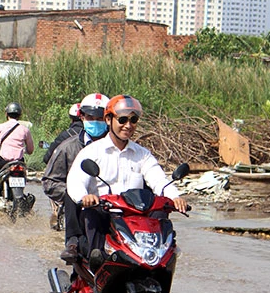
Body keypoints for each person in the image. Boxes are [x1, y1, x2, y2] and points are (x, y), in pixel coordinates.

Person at [66, 95, 188, 261]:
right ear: (108, 120)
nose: (128, 125)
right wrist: (85, 197)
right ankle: (95, 269)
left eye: (133, 120)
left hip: (136, 219)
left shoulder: (142, 154)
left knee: (161, 216)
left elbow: (159, 179)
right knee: (92, 215)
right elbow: (76, 181)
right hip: (105, 215)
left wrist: (175, 197)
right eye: (122, 120)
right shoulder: (92, 152)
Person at [41, 93, 109, 262]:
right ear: (82, 117)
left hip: (114, 206)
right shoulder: (68, 147)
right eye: (90, 117)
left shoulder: (121, 149)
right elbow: (50, 181)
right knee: (72, 193)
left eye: (100, 118)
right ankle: (73, 243)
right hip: (81, 208)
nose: (95, 121)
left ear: (109, 119)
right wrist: (78, 195)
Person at [0, 102, 34, 211]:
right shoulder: (25, 130)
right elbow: (30, 150)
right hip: (19, 163)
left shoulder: (0, 127)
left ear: (6, 114)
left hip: (3, 162)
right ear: (20, 115)